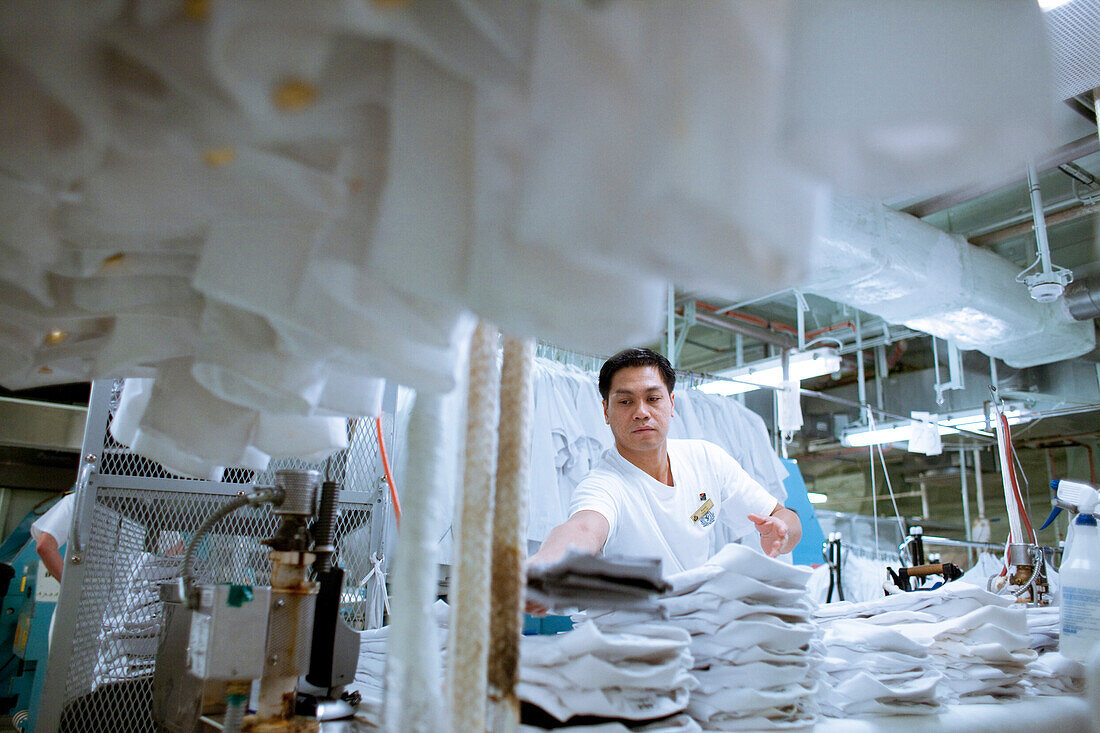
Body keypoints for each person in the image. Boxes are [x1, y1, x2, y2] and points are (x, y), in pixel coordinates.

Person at [527, 348, 801, 610]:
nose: (641, 412)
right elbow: (583, 529)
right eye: (625, 401)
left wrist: (782, 532)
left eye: (653, 398)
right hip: (631, 639)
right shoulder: (603, 485)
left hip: (697, 624)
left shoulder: (707, 459)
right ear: (606, 412)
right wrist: (546, 565)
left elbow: (784, 517)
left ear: (671, 404)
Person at [32, 492, 74, 581]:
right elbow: (45, 546)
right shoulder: (77, 501)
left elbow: (45, 546)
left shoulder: (78, 501)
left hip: (91, 590)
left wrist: (72, 589)